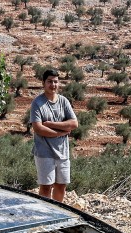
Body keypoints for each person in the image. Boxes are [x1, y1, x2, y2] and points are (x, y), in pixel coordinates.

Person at [29, 69, 78, 203]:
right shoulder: (37, 103)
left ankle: (57, 211)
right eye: (50, 81)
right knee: (46, 187)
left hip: (62, 152)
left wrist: (51, 124)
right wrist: (60, 133)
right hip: (44, 152)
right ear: (43, 83)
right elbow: (38, 128)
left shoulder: (64, 101)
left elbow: (74, 123)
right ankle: (44, 212)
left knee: (61, 186)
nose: (53, 85)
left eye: (55, 82)